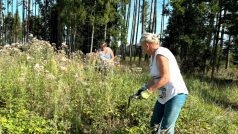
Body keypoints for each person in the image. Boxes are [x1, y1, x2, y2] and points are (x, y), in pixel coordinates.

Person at [138, 33, 188, 134]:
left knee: (166, 129)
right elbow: (155, 78)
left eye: (142, 47)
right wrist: (143, 88)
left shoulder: (161, 53)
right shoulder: (153, 57)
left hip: (175, 94)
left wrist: (149, 91)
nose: (142, 49)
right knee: (154, 124)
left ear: (147, 45)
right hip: (164, 95)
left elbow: (165, 77)